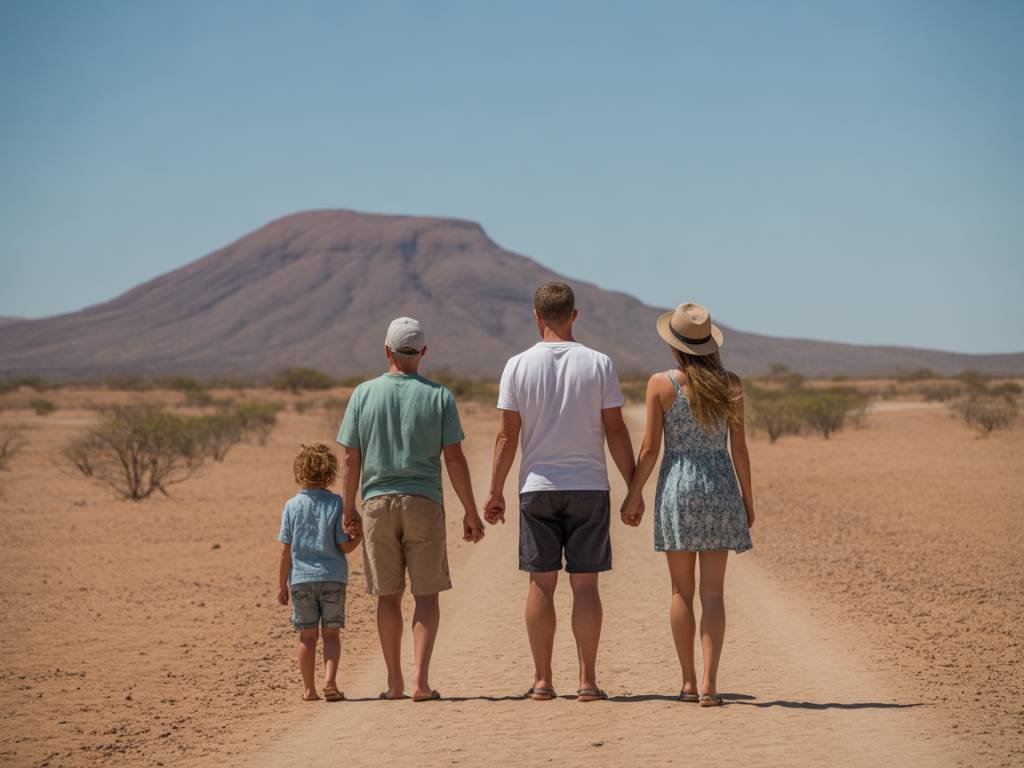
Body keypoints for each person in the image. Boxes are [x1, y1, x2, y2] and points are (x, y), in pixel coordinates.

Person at [485, 282, 636, 702]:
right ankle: (587, 681)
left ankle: (542, 680)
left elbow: (505, 436)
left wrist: (495, 490)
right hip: (588, 485)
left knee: (541, 585)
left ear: (536, 317)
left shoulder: (516, 366)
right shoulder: (599, 363)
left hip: (537, 488)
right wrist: (633, 485)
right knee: (585, 586)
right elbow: (616, 429)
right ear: (575, 314)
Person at [337, 316, 486, 702]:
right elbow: (454, 459)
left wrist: (347, 506)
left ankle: (394, 682)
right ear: (423, 352)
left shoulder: (362, 394)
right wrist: (470, 511)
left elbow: (350, 458)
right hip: (424, 503)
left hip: (376, 504)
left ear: (386, 351)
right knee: (426, 594)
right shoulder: (439, 396)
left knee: (387, 596)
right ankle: (420, 681)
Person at [620, 302, 755, 707]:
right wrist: (748, 500)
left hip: (678, 487)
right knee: (713, 594)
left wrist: (633, 494)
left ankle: (688, 684)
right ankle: (712, 686)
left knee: (681, 592)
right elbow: (741, 449)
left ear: (675, 346)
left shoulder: (661, 384)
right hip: (720, 487)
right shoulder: (730, 384)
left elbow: (649, 449)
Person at [277, 443, 362, 702]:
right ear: (330, 472)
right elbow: (344, 546)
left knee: (307, 636)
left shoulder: (292, 506)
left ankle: (309, 690)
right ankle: (330, 682)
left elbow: (285, 551)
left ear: (300, 472)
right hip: (333, 577)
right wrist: (358, 537)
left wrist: (282, 586)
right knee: (331, 634)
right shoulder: (337, 503)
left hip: (301, 580)